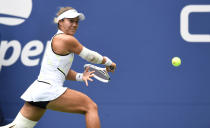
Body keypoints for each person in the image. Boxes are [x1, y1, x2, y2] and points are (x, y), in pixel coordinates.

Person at [1, 6, 116, 128]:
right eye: (71, 21)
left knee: (17, 127)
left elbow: (62, 72)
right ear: (60, 22)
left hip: (39, 91)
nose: (75, 24)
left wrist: (80, 76)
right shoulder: (65, 39)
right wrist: (108, 63)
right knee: (90, 106)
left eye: (76, 21)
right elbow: (90, 56)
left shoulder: (57, 39)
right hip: (49, 90)